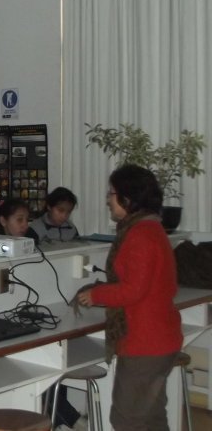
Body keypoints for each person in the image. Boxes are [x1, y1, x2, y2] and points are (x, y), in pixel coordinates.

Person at [77, 164, 182, 429]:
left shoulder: (140, 234)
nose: (107, 199)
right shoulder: (150, 228)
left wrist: (96, 294)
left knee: (126, 419)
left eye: (112, 193)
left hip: (146, 341)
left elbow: (133, 289)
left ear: (129, 198)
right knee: (151, 417)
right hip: (159, 336)